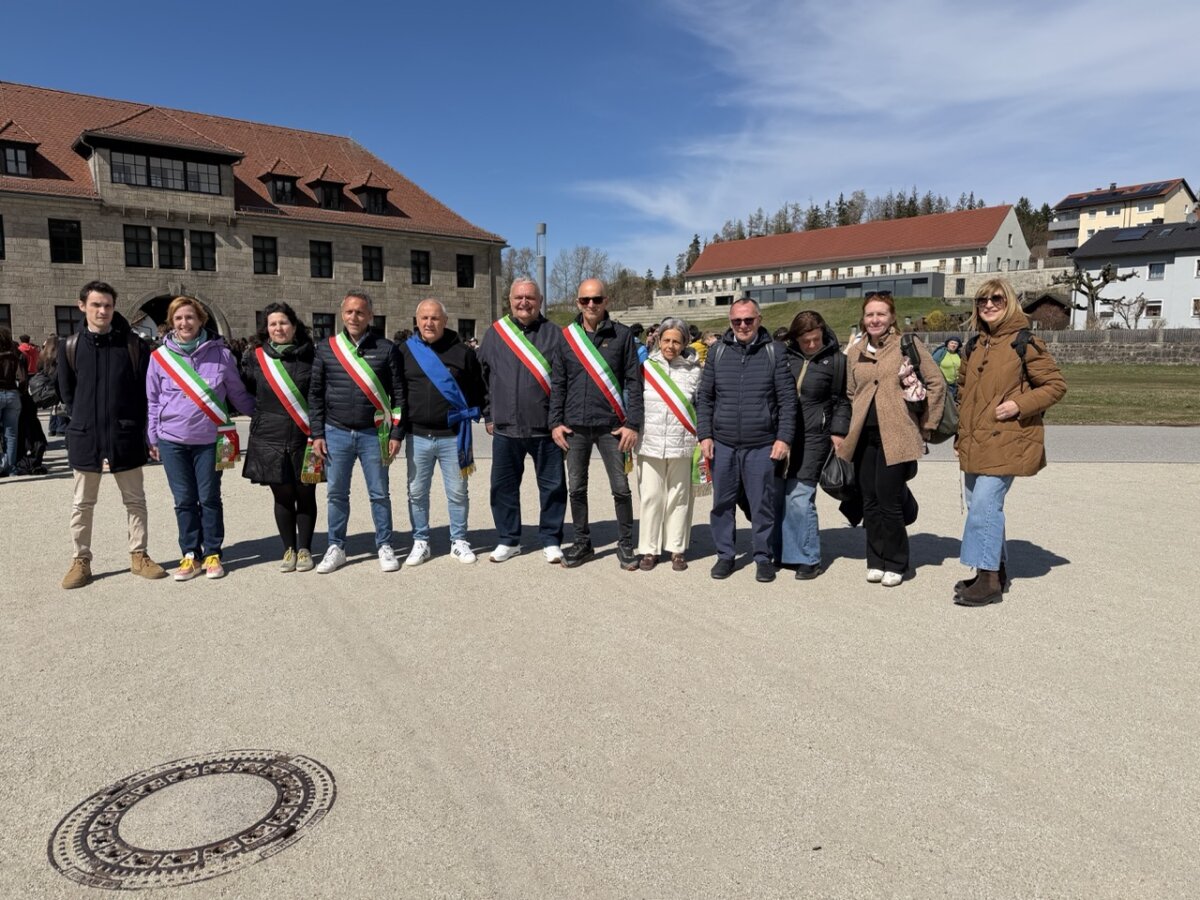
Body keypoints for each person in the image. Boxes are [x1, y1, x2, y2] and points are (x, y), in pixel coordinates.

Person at [953, 279, 1066, 606]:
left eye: (997, 299)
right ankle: (994, 572)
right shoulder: (974, 346)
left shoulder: (1025, 342)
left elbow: (1055, 386)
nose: (988, 304)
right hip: (975, 440)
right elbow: (963, 393)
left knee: (984, 505)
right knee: (980, 507)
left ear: (1010, 302)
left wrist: (1020, 404)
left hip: (1007, 439)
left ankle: (988, 582)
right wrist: (960, 434)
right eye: (982, 300)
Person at [57, 281, 167, 588]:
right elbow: (67, 394)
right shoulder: (70, 346)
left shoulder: (133, 346)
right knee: (82, 503)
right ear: (82, 306)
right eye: (96, 305)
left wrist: (144, 430)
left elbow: (144, 393)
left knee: (135, 500)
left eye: (107, 305)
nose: (102, 311)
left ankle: (139, 555)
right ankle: (81, 560)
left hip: (125, 434)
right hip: (86, 435)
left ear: (114, 307)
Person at [836, 290, 944, 587]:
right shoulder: (856, 350)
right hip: (863, 436)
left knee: (888, 499)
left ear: (892, 317)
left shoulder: (906, 345)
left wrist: (928, 423)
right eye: (870, 314)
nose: (875, 319)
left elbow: (936, 382)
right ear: (863, 318)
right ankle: (875, 559)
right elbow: (850, 392)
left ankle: (896, 561)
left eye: (881, 314)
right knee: (868, 500)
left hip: (896, 434)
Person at [147, 296, 255, 581]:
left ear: (200, 320)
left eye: (189, 317)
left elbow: (237, 394)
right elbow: (153, 400)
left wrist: (264, 415)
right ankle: (190, 554)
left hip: (211, 439)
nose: (184, 323)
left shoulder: (222, 355)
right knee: (184, 499)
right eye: (178, 318)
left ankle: (213, 553)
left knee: (209, 497)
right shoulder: (159, 358)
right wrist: (153, 437)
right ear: (171, 323)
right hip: (172, 440)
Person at [696, 298, 796, 582]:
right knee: (722, 504)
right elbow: (705, 398)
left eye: (748, 320)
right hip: (723, 443)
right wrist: (705, 435)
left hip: (761, 444)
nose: (742, 325)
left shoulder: (774, 352)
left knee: (761, 504)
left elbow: (787, 401)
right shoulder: (717, 352)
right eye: (737, 320)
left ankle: (763, 557)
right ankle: (725, 555)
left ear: (759, 320)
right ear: (730, 322)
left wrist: (784, 438)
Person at [549, 278, 643, 570]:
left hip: (612, 426)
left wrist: (633, 423)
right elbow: (558, 382)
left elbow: (633, 381)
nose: (591, 305)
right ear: (577, 302)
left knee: (621, 488)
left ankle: (625, 544)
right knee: (576, 487)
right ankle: (583, 543)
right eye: (585, 300)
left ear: (606, 301)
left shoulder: (623, 335)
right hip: (575, 426)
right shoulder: (567, 337)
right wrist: (555, 422)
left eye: (597, 299)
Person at [308, 291, 403, 574]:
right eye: (349, 312)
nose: (354, 317)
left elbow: (399, 394)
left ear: (370, 316)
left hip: (375, 434)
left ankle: (384, 544)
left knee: (379, 493)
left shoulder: (386, 349)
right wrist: (317, 433)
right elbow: (315, 393)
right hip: (335, 431)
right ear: (342, 314)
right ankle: (336, 546)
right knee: (336, 494)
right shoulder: (326, 348)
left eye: (360, 312)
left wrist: (396, 433)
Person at [476, 278, 568, 563]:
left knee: (553, 487)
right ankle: (508, 540)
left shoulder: (556, 334)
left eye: (530, 297)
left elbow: (565, 381)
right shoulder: (495, 334)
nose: (524, 302)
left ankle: (551, 540)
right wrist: (489, 414)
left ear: (540, 301)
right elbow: (482, 378)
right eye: (519, 297)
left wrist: (559, 420)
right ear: (510, 300)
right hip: (506, 428)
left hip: (546, 428)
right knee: (502, 487)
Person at [396, 299, 486, 566]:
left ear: (445, 321)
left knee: (457, 492)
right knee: (416, 492)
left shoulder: (463, 353)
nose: (429, 323)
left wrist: (475, 413)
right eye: (424, 318)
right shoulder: (405, 351)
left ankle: (459, 540)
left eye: (435, 318)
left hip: (453, 436)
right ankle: (420, 541)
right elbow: (397, 392)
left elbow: (477, 389)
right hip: (417, 435)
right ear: (416, 321)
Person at [772, 310, 851, 580]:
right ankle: (783, 552)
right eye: (806, 341)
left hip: (815, 436)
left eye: (816, 339)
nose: (812, 345)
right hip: (781, 435)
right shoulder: (783, 356)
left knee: (800, 496)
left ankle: (808, 557)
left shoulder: (837, 361)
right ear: (795, 338)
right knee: (778, 495)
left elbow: (843, 401)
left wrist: (838, 430)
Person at [242, 302, 319, 573]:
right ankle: (289, 549)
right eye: (273, 324)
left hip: (305, 436)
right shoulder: (255, 358)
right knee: (282, 496)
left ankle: (305, 548)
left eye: (284, 323)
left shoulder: (312, 356)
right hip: (269, 438)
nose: (279, 328)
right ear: (267, 329)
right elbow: (246, 391)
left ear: (294, 326)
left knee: (306, 493)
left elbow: (320, 396)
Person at [635, 316, 702, 571]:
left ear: (685, 342)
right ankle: (649, 549)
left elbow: (702, 405)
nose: (670, 346)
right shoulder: (645, 368)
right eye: (666, 340)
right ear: (658, 340)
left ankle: (676, 548)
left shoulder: (695, 371)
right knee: (651, 497)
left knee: (679, 497)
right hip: (649, 442)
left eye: (676, 341)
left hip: (683, 443)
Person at [0, 328, 27, 477]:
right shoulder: (15, 355)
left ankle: (1, 465)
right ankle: (11, 468)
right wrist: (20, 392)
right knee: (11, 434)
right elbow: (23, 379)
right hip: (12, 394)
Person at [40, 335, 70, 437]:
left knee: (54, 406)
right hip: (57, 381)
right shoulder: (58, 354)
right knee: (60, 405)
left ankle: (52, 428)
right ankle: (61, 428)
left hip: (49, 381)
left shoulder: (45, 353)